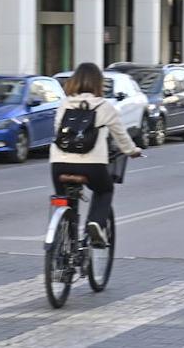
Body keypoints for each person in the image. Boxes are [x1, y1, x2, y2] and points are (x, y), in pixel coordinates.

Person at [49, 62, 142, 247]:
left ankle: (66, 242)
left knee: (64, 199)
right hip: (92, 165)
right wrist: (132, 151)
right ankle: (96, 223)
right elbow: (121, 136)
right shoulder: (104, 106)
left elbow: (58, 131)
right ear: (98, 83)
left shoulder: (64, 104)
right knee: (104, 189)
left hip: (59, 164)